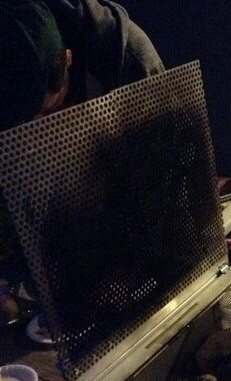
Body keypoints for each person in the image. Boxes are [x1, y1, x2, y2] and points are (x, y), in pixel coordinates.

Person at [0, 0, 165, 331]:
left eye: (47, 113)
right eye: (19, 124)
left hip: (118, 229)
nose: (34, 133)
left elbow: (163, 191)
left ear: (68, 59)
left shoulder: (128, 61)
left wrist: (127, 272)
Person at [0, 0, 165, 131]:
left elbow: (161, 146)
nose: (39, 123)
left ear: (68, 58)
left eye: (49, 111)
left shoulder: (133, 65)